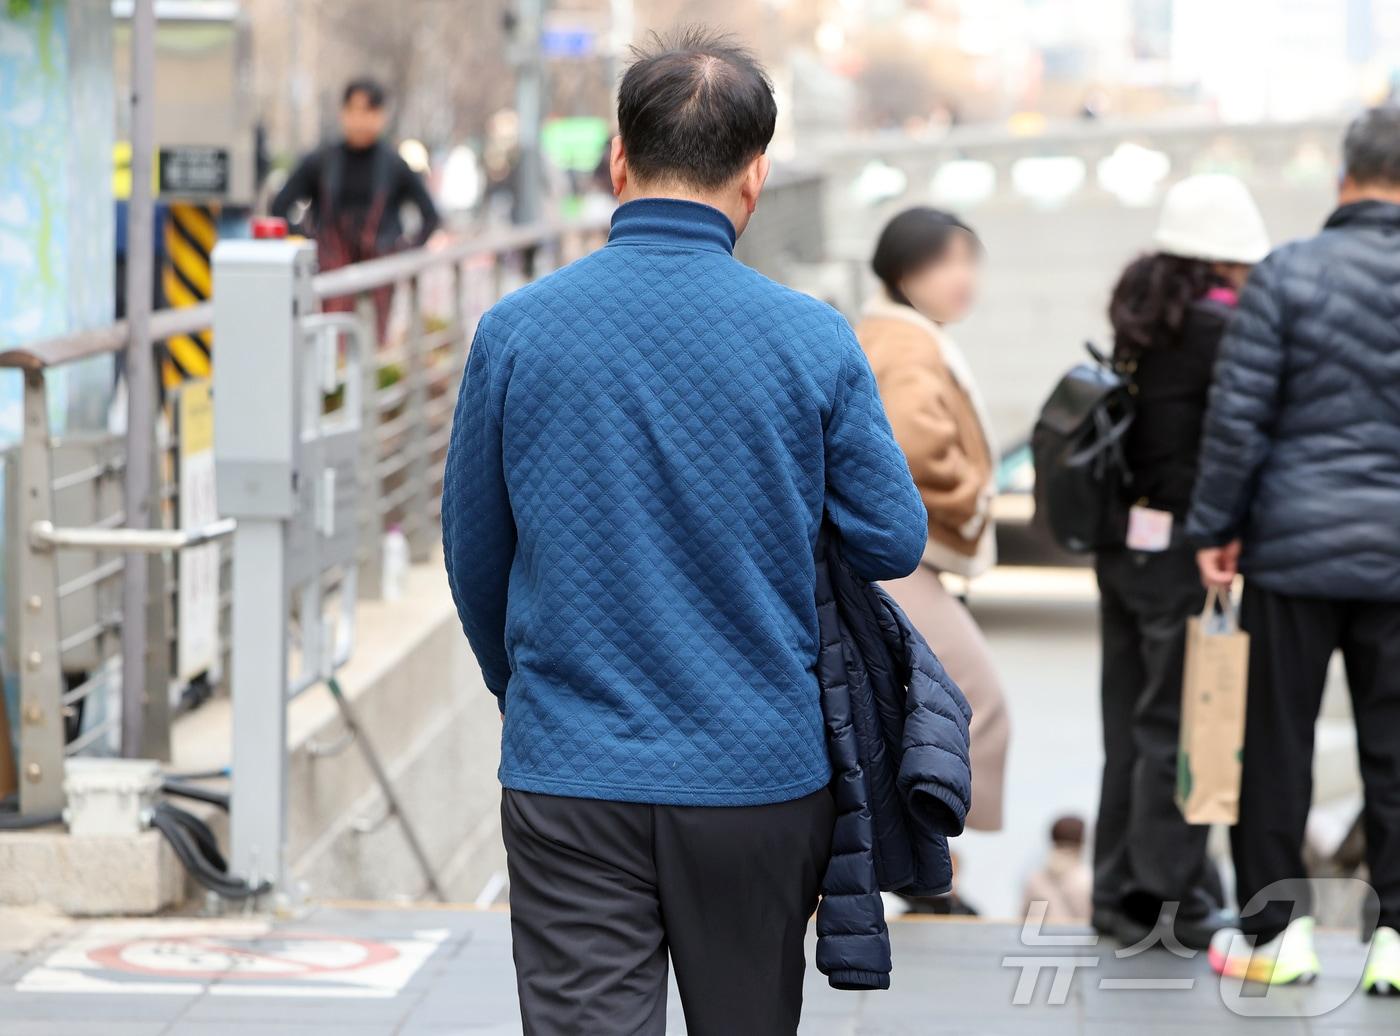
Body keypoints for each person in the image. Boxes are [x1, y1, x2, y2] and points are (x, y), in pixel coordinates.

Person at [441, 29, 927, 1035]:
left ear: (619, 160)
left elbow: (474, 552)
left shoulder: (517, 331)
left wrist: (522, 689)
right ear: (755, 177)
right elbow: (892, 536)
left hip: (569, 767)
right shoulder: (811, 337)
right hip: (759, 770)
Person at [1188, 107, 1400, 992]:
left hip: (1292, 552)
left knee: (1275, 746)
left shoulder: (1287, 273)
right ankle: (1395, 944)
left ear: (1345, 178)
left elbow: (1238, 418)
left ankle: (1278, 935)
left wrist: (1215, 528)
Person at [1092, 173, 1269, 949]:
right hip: (1184, 557)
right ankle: (1169, 903)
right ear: (1229, 256)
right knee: (1181, 723)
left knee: (1128, 726)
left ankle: (1115, 892)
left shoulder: (1141, 311)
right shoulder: (1219, 325)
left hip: (1125, 545)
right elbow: (1234, 440)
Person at [854, 207, 1010, 833]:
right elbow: (916, 448)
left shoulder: (887, 331)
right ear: (903, 271)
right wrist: (974, 497)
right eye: (942, 262)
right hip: (902, 556)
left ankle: (928, 854)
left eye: (969, 260)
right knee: (975, 702)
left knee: (910, 710)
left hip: (884, 549)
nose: (962, 277)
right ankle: (943, 851)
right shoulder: (909, 344)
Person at [269, 77, 440, 335]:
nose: (360, 120)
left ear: (381, 115)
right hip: (331, 278)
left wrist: (402, 251)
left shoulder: (393, 164)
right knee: (330, 342)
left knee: (374, 343)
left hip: (379, 278)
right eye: (354, 110)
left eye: (368, 111)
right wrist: (311, 242)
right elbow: (279, 206)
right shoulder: (322, 160)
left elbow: (431, 216)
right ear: (343, 113)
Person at [1022, 816, 1094, 926]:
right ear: (1083, 840)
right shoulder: (1088, 880)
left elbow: (1026, 924)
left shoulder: (1035, 880)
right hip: (1077, 937)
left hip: (1040, 937)